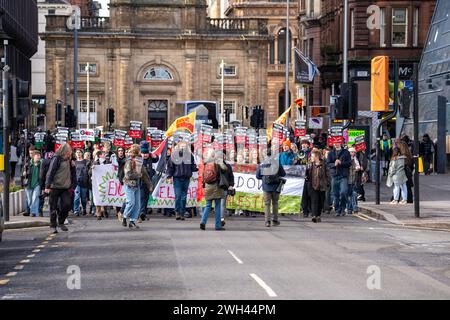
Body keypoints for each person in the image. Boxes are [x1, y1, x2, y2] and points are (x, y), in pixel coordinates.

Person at [44, 143, 76, 234]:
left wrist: (73, 185)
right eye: (69, 151)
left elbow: (73, 174)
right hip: (55, 187)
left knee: (67, 205)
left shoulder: (70, 160)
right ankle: (53, 225)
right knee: (53, 208)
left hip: (65, 187)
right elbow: (50, 173)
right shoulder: (56, 159)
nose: (70, 153)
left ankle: (61, 221)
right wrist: (47, 186)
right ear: (65, 151)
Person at [122, 144, 152, 229]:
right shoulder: (129, 161)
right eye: (139, 150)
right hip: (129, 184)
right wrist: (138, 175)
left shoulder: (140, 161)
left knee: (137, 205)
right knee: (131, 202)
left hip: (137, 184)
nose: (141, 152)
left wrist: (149, 184)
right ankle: (124, 216)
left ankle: (132, 221)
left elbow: (144, 174)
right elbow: (128, 174)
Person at [166, 141, 198, 221]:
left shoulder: (190, 156)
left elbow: (193, 166)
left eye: (184, 146)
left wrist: (198, 168)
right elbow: (170, 167)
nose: (183, 147)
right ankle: (177, 212)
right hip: (177, 178)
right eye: (182, 146)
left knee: (184, 197)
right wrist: (169, 176)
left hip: (186, 178)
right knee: (178, 196)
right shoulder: (174, 155)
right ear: (179, 146)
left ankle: (182, 213)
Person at [200, 148, 228, 231]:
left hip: (208, 187)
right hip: (217, 187)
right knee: (217, 206)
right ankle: (218, 225)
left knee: (208, 205)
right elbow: (225, 168)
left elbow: (203, 175)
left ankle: (203, 222)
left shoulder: (205, 163)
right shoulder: (217, 161)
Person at [256, 150, 286, 227]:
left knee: (267, 204)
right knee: (275, 203)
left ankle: (267, 221)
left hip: (266, 187)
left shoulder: (262, 164)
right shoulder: (277, 163)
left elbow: (258, 176)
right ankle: (275, 220)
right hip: (276, 186)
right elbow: (283, 174)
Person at [326, 141, 351, 217]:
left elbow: (349, 163)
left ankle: (343, 207)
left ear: (340, 143)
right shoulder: (330, 153)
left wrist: (341, 162)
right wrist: (334, 164)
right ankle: (337, 210)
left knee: (343, 192)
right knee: (335, 194)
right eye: (335, 142)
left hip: (343, 175)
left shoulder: (346, 152)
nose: (336, 144)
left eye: (338, 142)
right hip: (334, 176)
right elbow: (328, 164)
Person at [305, 150, 330, 223]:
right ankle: (314, 216)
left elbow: (328, 174)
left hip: (322, 185)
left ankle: (318, 215)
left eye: (312, 156)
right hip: (313, 185)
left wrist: (328, 183)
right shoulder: (310, 164)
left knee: (321, 201)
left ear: (317, 157)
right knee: (314, 200)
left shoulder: (324, 164)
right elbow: (306, 173)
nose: (311, 158)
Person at [138, 141, 158, 222]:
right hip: (141, 181)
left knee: (146, 198)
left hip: (148, 182)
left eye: (146, 153)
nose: (145, 155)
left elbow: (156, 159)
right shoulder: (138, 160)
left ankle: (144, 213)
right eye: (143, 153)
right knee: (142, 198)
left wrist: (153, 155)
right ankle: (141, 213)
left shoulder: (150, 158)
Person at [90, 150, 111, 220]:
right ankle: (98, 213)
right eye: (103, 154)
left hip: (105, 182)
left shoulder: (108, 162)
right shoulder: (95, 163)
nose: (105, 155)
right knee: (97, 197)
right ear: (99, 156)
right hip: (97, 183)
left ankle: (104, 210)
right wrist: (92, 168)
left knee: (104, 196)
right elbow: (89, 172)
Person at [22, 151, 42, 217]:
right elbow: (22, 173)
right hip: (29, 184)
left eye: (39, 156)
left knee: (35, 197)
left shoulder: (41, 164)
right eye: (37, 156)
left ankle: (33, 212)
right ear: (34, 156)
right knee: (29, 199)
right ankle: (31, 210)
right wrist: (24, 173)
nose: (39, 157)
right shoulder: (28, 164)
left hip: (37, 184)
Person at [219, 150, 235, 227]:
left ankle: (221, 219)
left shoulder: (228, 166)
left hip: (221, 187)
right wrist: (231, 185)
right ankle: (221, 219)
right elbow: (231, 177)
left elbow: (231, 177)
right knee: (222, 204)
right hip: (222, 187)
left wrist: (231, 185)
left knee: (220, 204)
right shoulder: (227, 166)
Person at [73, 149, 89, 216]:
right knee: (76, 196)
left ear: (82, 153)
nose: (78, 153)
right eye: (77, 152)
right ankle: (76, 210)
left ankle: (84, 209)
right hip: (76, 182)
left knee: (83, 198)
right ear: (75, 154)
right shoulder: (74, 162)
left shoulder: (86, 161)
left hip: (84, 182)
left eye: (79, 152)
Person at [347, 147, 363, 215]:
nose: (353, 153)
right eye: (351, 152)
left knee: (353, 194)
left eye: (354, 152)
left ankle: (351, 208)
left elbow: (359, 166)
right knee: (351, 194)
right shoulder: (347, 159)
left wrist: (359, 168)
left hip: (355, 179)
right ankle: (352, 208)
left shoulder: (356, 159)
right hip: (348, 179)